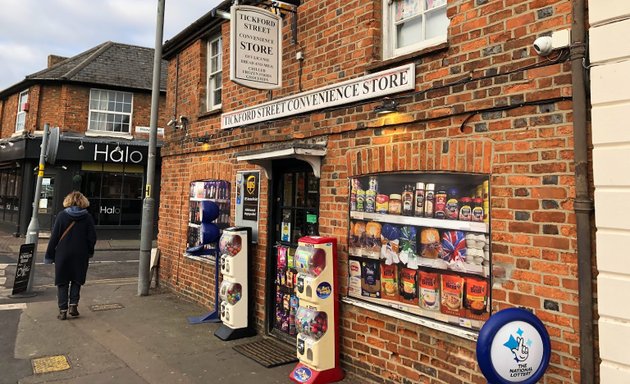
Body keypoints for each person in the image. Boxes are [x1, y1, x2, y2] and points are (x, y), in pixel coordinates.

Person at [44, 191, 97, 320]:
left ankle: (63, 311)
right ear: (83, 201)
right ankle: (73, 306)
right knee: (76, 280)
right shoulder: (87, 217)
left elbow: (55, 237)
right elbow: (92, 238)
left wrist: (49, 255)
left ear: (68, 200)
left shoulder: (62, 216)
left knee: (62, 281)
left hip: (63, 253)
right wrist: (89, 251)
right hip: (81, 253)